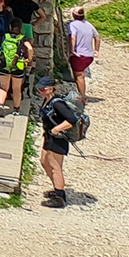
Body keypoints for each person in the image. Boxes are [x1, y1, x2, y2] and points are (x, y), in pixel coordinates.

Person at [37, 76, 78, 208]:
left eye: (42, 89)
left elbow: (72, 119)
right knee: (44, 162)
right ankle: (57, 189)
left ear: (50, 89)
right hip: (49, 137)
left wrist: (57, 129)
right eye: (39, 88)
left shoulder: (57, 103)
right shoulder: (47, 100)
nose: (40, 91)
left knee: (55, 167)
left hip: (57, 139)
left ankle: (59, 197)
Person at [0, 18, 33, 117]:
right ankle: (16, 109)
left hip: (4, 65)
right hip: (17, 67)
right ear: (21, 28)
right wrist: (29, 60)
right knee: (16, 88)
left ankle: (1, 106)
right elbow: (30, 48)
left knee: (3, 87)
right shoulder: (22, 38)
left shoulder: (5, 36)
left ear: (10, 26)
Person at [68, 7, 101, 104]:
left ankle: (82, 97)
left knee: (79, 75)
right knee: (80, 74)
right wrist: (96, 50)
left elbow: (73, 37)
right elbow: (97, 37)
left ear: (73, 15)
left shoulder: (73, 25)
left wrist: (72, 50)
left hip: (79, 55)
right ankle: (80, 94)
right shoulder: (89, 25)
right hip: (89, 56)